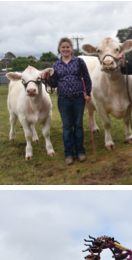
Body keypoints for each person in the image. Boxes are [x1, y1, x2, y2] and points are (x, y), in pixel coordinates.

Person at [42, 37, 91, 166]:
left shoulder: (79, 62)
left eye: (67, 47)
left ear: (71, 48)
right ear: (59, 49)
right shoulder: (56, 65)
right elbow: (54, 83)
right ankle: (69, 154)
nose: (65, 49)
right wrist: (47, 78)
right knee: (67, 126)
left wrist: (88, 94)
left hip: (78, 98)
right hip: (63, 99)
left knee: (78, 125)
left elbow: (87, 79)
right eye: (63, 47)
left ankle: (80, 151)